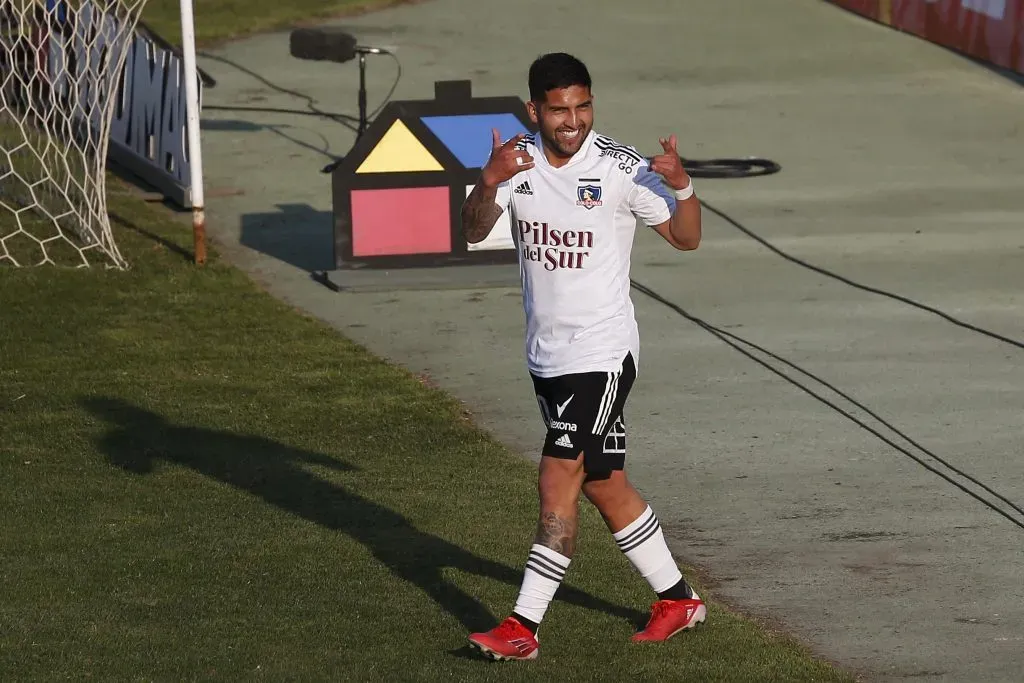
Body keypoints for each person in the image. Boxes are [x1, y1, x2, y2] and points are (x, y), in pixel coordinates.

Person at [460, 52, 705, 661]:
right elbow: (472, 230)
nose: (573, 121)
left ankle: (522, 627)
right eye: (560, 110)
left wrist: (683, 186)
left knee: (557, 476)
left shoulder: (620, 168)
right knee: (602, 480)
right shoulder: (512, 165)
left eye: (583, 106)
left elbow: (685, 237)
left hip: (603, 354)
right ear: (534, 110)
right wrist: (486, 183)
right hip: (547, 358)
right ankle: (678, 600)